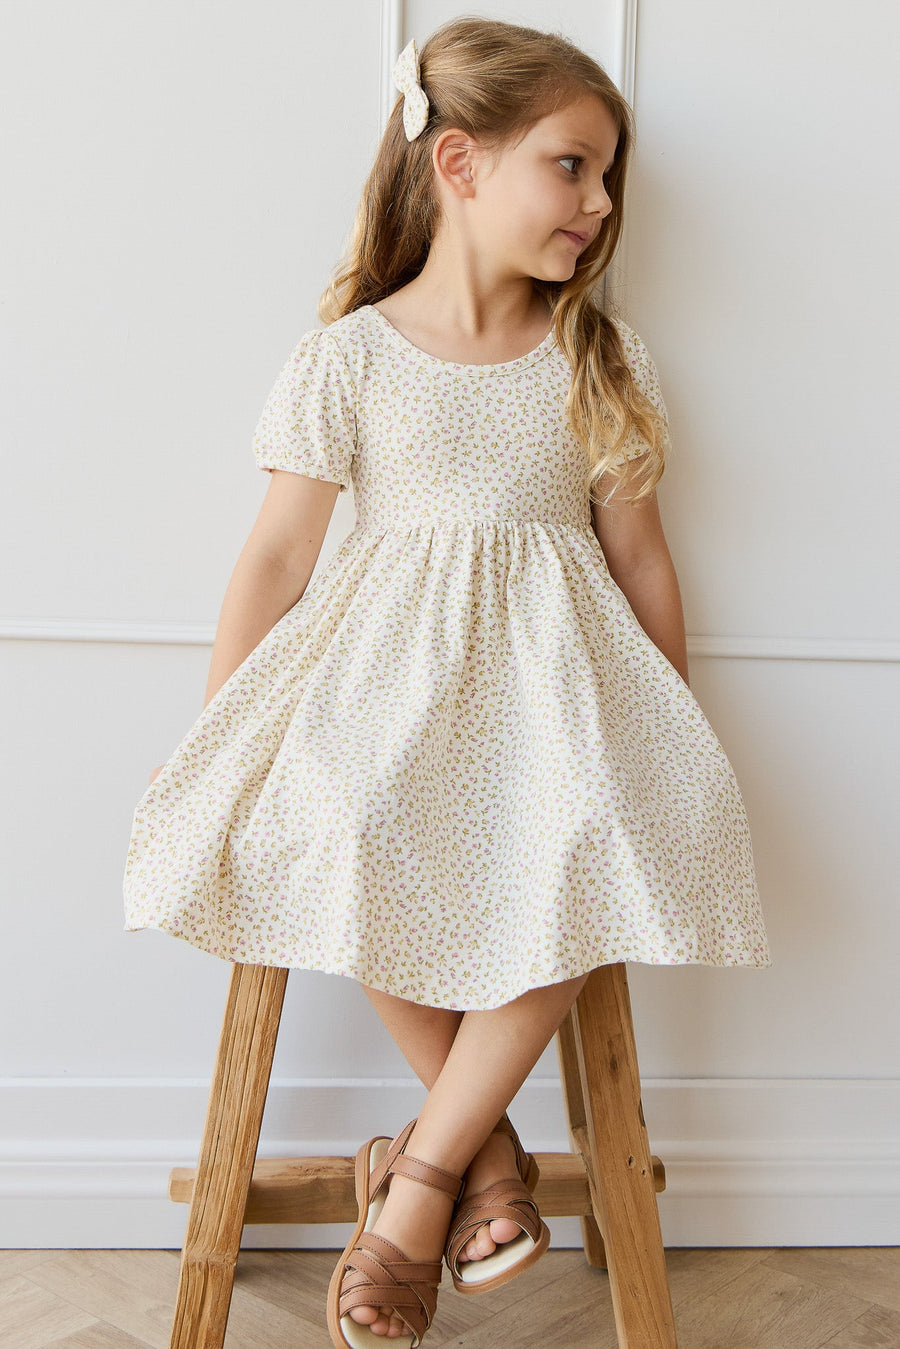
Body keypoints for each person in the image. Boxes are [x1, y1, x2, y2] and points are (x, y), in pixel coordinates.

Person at [123, 16, 772, 1348]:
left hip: (560, 709)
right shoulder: (350, 356)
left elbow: (642, 559)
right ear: (461, 164)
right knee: (340, 823)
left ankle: (419, 1176)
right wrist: (222, 729)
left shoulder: (597, 358)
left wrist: (672, 721)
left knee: (586, 844)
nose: (600, 203)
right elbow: (277, 557)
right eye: (572, 166)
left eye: (609, 177)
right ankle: (481, 1155)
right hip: (382, 699)